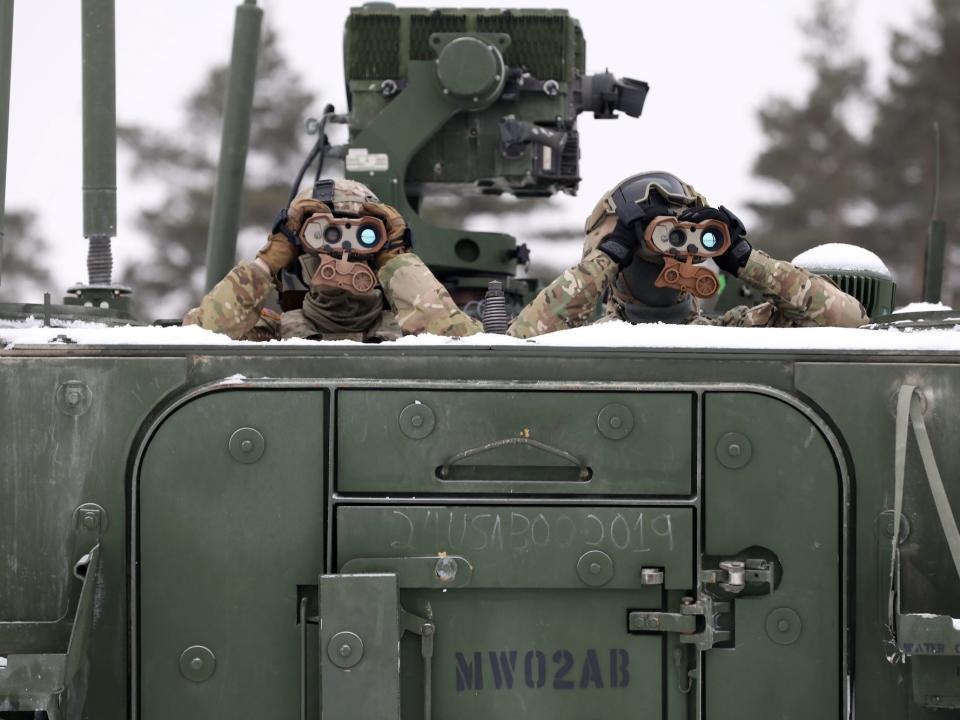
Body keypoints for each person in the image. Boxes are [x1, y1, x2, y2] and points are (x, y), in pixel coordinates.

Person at [507, 171, 869, 338]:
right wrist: (612, 253)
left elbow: (850, 323)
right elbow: (518, 348)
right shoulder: (582, 341)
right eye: (663, 237)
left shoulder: (735, 336)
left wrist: (744, 260)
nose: (672, 250)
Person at [184, 179, 481, 341]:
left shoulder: (413, 336)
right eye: (323, 235)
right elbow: (198, 342)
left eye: (365, 236)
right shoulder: (268, 335)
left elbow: (469, 352)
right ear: (298, 252)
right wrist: (268, 261)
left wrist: (397, 259)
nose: (343, 252)